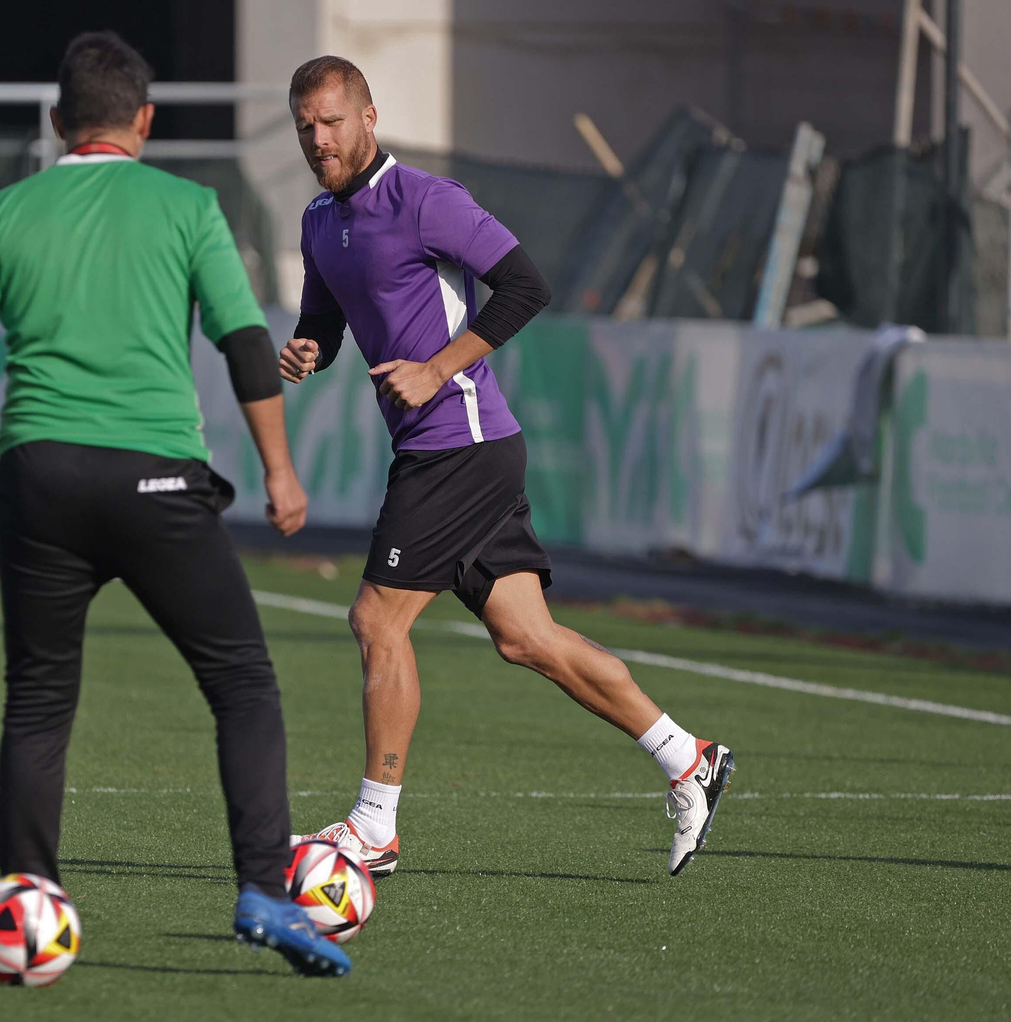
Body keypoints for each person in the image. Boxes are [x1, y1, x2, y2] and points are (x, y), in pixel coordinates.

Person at [0, 32, 350, 975]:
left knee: (38, 701)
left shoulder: (2, 212)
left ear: (54, 124)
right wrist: (279, 470)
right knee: (241, 682)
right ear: (145, 122)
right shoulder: (188, 206)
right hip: (158, 478)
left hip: (39, 474)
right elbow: (246, 347)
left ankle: (29, 899)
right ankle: (263, 894)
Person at [278, 56, 733, 878]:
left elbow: (526, 287)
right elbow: (328, 310)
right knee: (527, 639)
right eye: (305, 125)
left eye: (333, 120)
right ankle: (686, 756)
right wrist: (312, 345)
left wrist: (437, 367)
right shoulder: (318, 219)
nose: (319, 138)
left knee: (376, 621)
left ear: (369, 117)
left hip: (461, 442)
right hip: (443, 448)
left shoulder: (428, 200)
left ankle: (374, 828)